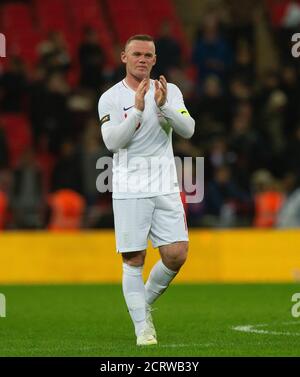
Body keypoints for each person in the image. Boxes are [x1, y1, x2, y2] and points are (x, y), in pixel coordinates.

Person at [98, 34, 195, 346]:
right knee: (134, 258)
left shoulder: (170, 91)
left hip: (165, 183)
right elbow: (113, 143)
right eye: (136, 54)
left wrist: (163, 107)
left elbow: (188, 130)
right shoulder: (110, 98)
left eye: (148, 55)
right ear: (124, 57)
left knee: (176, 254)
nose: (142, 59)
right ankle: (143, 328)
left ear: (155, 60)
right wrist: (137, 112)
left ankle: (143, 306)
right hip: (129, 185)